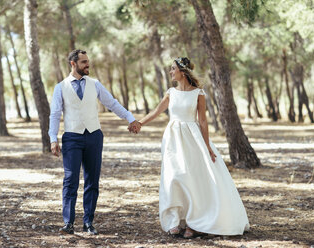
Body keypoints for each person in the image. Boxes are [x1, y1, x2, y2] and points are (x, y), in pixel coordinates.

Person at [134, 57, 250, 238]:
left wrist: (207, 147)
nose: (171, 72)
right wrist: (139, 123)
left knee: (192, 180)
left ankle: (193, 223)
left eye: (173, 69)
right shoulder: (171, 92)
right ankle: (173, 221)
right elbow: (156, 111)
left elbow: (202, 121)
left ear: (183, 71)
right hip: (173, 139)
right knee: (173, 177)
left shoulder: (198, 93)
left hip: (192, 138)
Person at [49, 49, 141, 235]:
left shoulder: (95, 84)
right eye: (83, 62)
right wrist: (53, 139)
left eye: (88, 61)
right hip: (72, 137)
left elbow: (112, 104)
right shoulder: (61, 87)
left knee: (92, 181)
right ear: (73, 64)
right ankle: (68, 222)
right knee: (70, 180)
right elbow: (55, 114)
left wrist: (130, 118)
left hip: (93, 136)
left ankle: (88, 222)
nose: (87, 65)